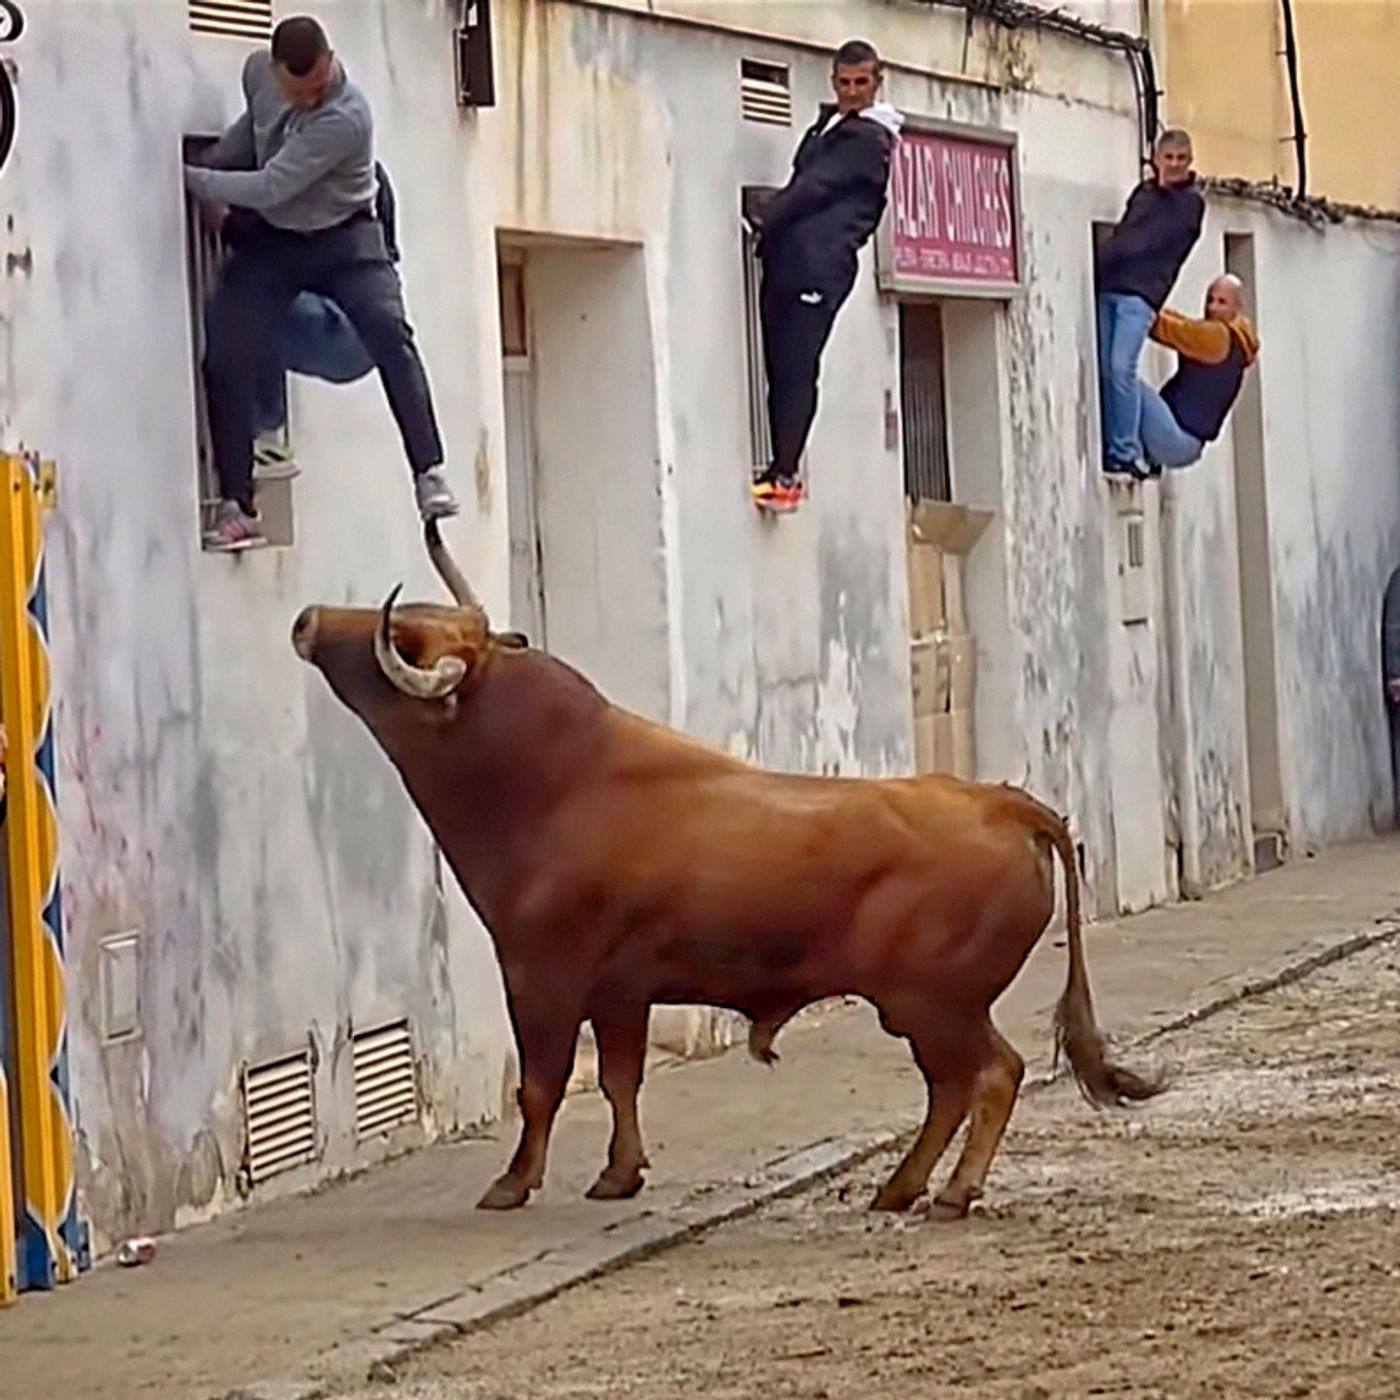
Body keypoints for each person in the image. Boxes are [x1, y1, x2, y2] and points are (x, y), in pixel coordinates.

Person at [184, 15, 459, 551]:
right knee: (226, 349)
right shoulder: (258, 77)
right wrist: (215, 161)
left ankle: (428, 472)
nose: (312, 99)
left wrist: (194, 180)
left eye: (319, 87)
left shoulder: (347, 116)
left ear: (331, 62)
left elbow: (270, 185)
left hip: (345, 240)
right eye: (300, 91)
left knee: (388, 331)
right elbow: (254, 134)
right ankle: (238, 505)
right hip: (278, 243)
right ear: (276, 73)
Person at [746, 39, 902, 513]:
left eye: (861, 82)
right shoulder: (828, 127)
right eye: (844, 82)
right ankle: (780, 469)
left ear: (877, 83)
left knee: (796, 366)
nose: (852, 91)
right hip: (792, 259)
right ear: (833, 82)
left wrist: (767, 215)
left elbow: (814, 187)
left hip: (818, 266)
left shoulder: (868, 138)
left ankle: (785, 475)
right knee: (781, 366)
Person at [1096, 128, 1205, 478]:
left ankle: (1126, 450)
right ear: (1156, 159)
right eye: (1168, 157)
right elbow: (1129, 234)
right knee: (1106, 368)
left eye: (1180, 158)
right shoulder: (1144, 194)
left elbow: (1145, 241)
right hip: (1111, 287)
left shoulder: (1189, 204)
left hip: (1141, 295)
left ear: (1190, 161)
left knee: (1120, 367)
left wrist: (1105, 255)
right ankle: (1116, 446)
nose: (1174, 164)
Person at [1138, 273, 1260, 471]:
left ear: (1237, 308)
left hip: (1175, 437)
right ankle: (1144, 457)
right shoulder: (1235, 339)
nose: (1212, 307)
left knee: (1122, 379)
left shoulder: (1218, 337)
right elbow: (1186, 325)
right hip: (1186, 444)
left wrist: (1135, 304)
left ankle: (1124, 451)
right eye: (1210, 300)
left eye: (1222, 302)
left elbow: (1169, 329)